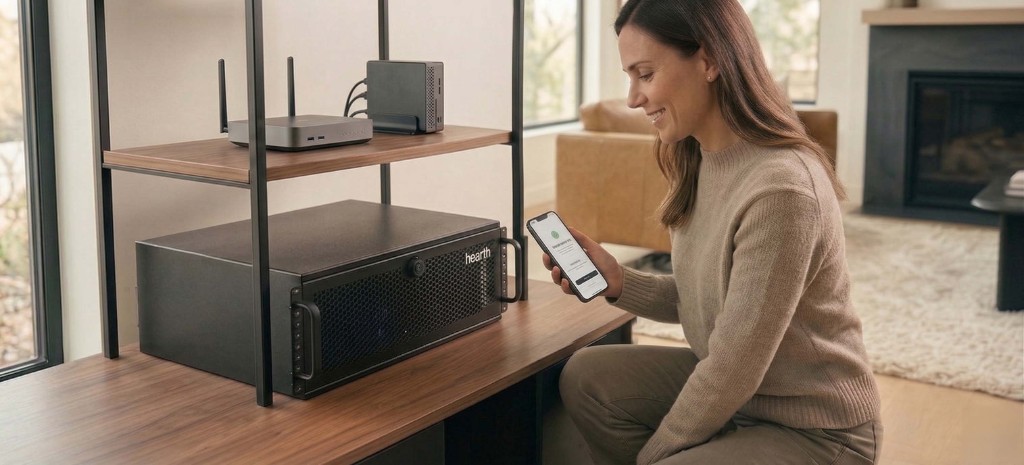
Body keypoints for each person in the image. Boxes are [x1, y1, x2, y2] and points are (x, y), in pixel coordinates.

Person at [545, 1, 883, 464]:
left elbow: (733, 367)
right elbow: (711, 302)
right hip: (746, 397)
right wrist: (619, 281)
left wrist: (655, 456)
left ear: (708, 60)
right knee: (587, 376)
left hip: (816, 430)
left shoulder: (781, 189)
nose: (632, 98)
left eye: (645, 73)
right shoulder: (698, 157)